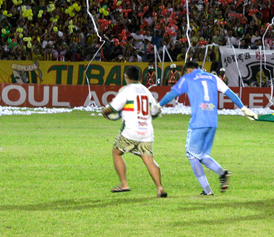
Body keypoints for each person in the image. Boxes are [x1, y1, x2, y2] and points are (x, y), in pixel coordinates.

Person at [156, 61, 257, 195]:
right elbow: (230, 93)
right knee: (202, 155)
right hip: (212, 122)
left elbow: (172, 94)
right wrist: (244, 109)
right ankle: (222, 173)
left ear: (188, 70)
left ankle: (207, 191)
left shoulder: (188, 77)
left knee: (192, 155)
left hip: (198, 121)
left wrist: (159, 106)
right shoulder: (213, 77)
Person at [101, 65, 167, 198]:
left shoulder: (126, 90)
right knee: (149, 159)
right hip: (147, 132)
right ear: (140, 77)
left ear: (126, 76)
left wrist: (104, 111)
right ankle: (160, 188)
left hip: (130, 131)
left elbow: (113, 108)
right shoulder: (146, 90)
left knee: (117, 153)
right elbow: (155, 112)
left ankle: (124, 184)